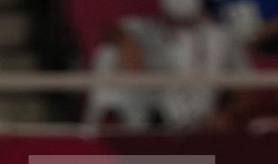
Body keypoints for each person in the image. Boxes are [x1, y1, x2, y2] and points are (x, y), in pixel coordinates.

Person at [85, 0, 252, 130]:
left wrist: (225, 115)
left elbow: (248, 91)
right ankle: (104, 129)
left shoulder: (222, 36)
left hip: (199, 123)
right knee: (109, 54)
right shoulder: (144, 27)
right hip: (151, 118)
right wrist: (125, 44)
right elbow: (112, 31)